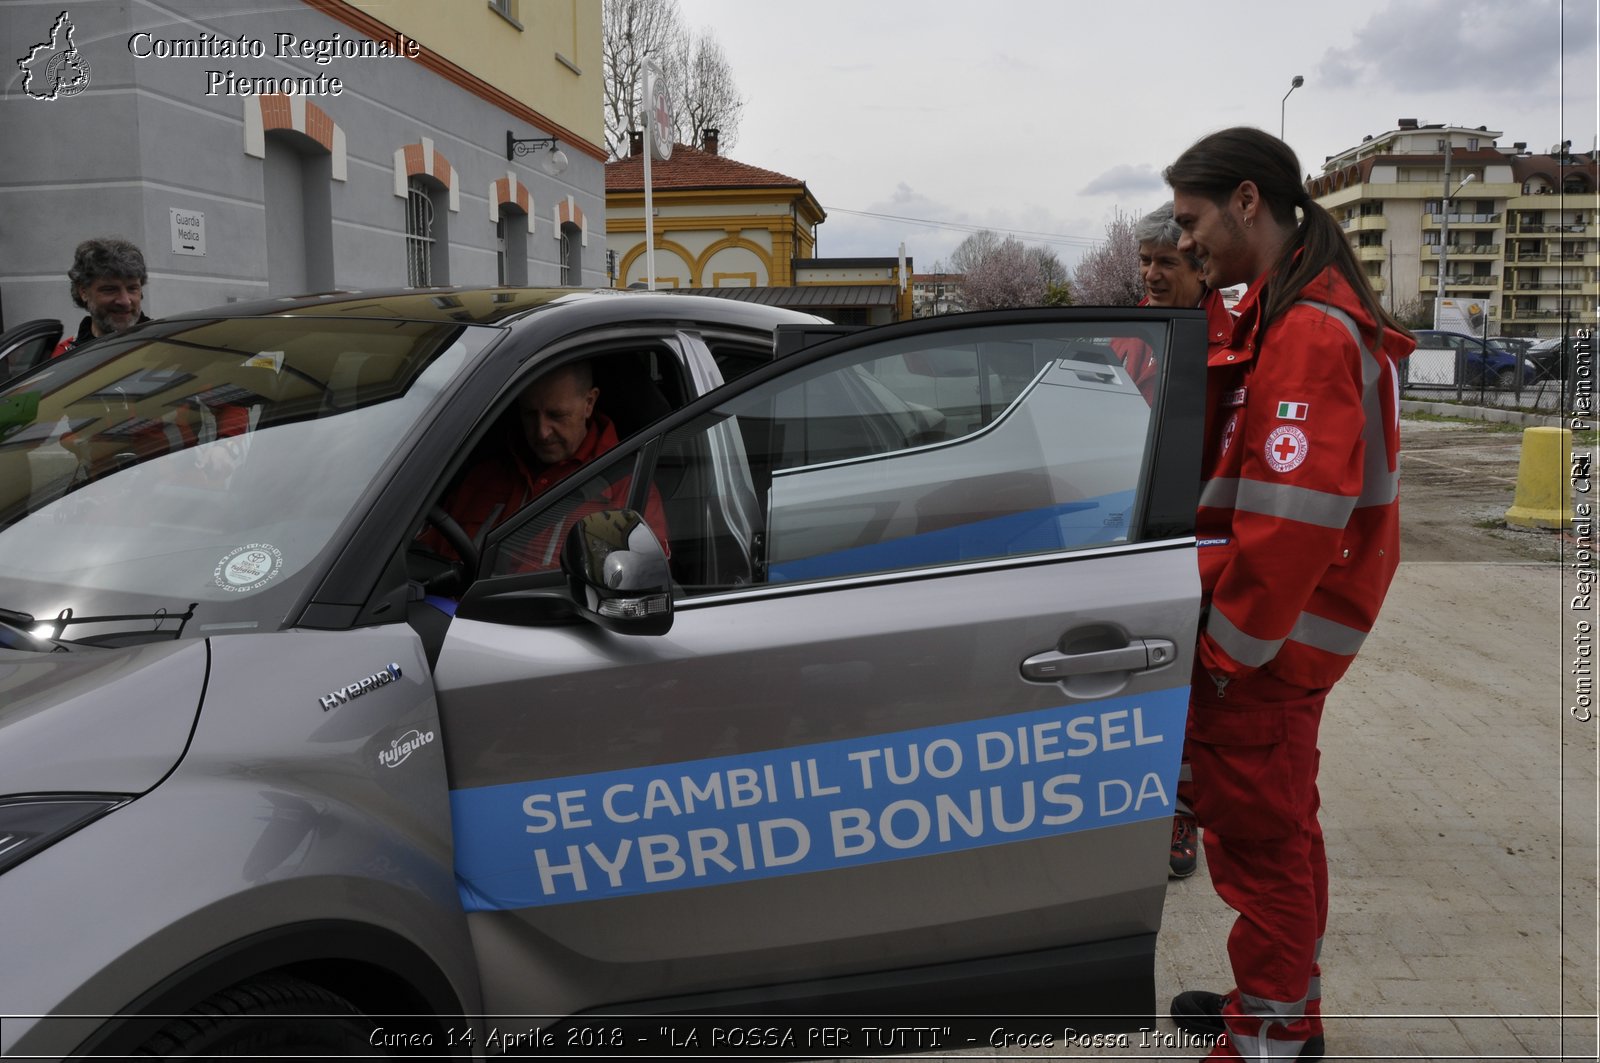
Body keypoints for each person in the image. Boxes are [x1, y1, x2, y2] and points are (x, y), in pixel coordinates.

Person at [1162, 127, 1414, 1062]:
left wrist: (1227, 648)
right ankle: (1280, 1010)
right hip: (1278, 641)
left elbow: (1295, 518)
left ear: (1246, 203)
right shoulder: (1290, 306)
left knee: (1261, 852)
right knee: (1284, 836)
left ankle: (1269, 1037)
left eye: (1192, 221)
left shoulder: (1308, 329)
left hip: (1264, 647)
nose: (1183, 243)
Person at [1124, 203, 1235, 878]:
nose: (1152, 274)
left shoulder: (1232, 336)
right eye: (1145, 261)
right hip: (1136, 533)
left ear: (1199, 267)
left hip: (1203, 542)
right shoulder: (1129, 335)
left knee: (1187, 689)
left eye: (1165, 262)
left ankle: (1181, 813)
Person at [426, 361, 667, 574]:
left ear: (589, 403)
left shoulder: (628, 488)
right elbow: (425, 561)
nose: (542, 432)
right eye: (530, 414)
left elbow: (641, 584)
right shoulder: (483, 476)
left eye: (557, 415)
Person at [53, 237, 151, 357]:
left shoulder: (167, 347)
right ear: (83, 292)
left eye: (132, 288)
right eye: (110, 290)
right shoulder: (62, 357)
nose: (125, 301)